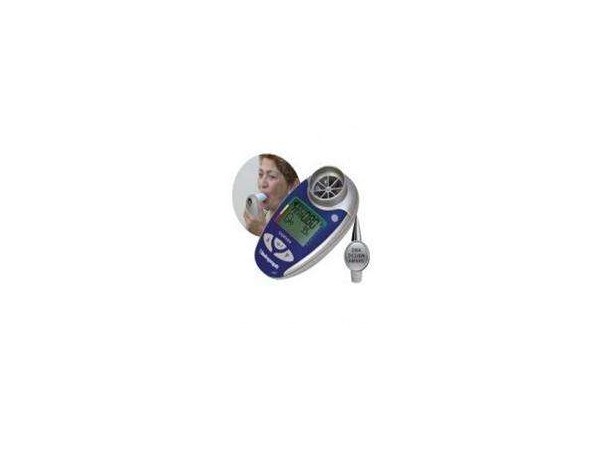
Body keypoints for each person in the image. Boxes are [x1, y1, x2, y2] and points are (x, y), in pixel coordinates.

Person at [244, 154, 299, 236]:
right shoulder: (262, 218)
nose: (262, 184)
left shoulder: (298, 229)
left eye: (272, 176)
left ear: (293, 186)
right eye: (260, 174)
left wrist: (261, 231)